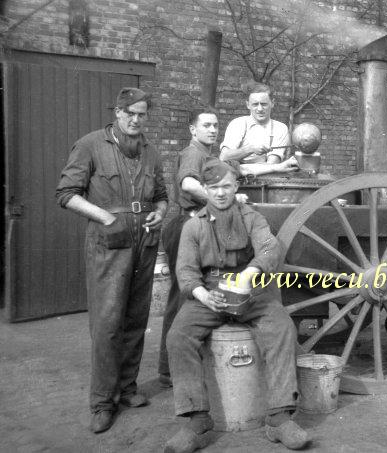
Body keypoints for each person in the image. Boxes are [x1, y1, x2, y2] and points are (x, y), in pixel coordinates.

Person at [164, 160, 310, 452]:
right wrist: (203, 295)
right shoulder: (194, 225)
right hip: (211, 294)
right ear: (205, 189)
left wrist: (249, 274)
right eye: (214, 187)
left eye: (227, 186)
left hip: (251, 291)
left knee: (281, 327)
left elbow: (270, 248)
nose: (220, 193)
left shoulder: (252, 218)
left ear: (236, 186)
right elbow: (186, 272)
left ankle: (279, 418)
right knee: (178, 335)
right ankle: (196, 419)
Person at [158, 107, 300, 388]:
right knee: (181, 303)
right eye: (206, 125)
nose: (212, 130)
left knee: (279, 324)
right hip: (199, 249)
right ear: (193, 130)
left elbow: (243, 170)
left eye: (215, 125)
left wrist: (279, 167)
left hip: (241, 276)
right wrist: (218, 199)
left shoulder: (216, 162)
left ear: (235, 187)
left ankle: (280, 412)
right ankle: (172, 375)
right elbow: (188, 183)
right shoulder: (193, 155)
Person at [56, 87, 168, 433]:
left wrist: (159, 214)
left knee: (136, 318)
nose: (135, 120)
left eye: (141, 114)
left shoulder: (150, 152)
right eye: (129, 113)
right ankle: (103, 401)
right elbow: (65, 195)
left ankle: (128, 388)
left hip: (144, 242)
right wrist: (106, 218)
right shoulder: (90, 145)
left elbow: (163, 196)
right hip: (109, 243)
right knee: (107, 324)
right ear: (117, 112)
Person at [220, 82, 298, 170]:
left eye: (264, 104)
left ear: (272, 103)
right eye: (255, 104)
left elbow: (271, 165)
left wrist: (238, 164)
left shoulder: (280, 128)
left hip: (267, 178)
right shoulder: (237, 124)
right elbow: (224, 157)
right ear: (248, 105)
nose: (260, 109)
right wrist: (250, 149)